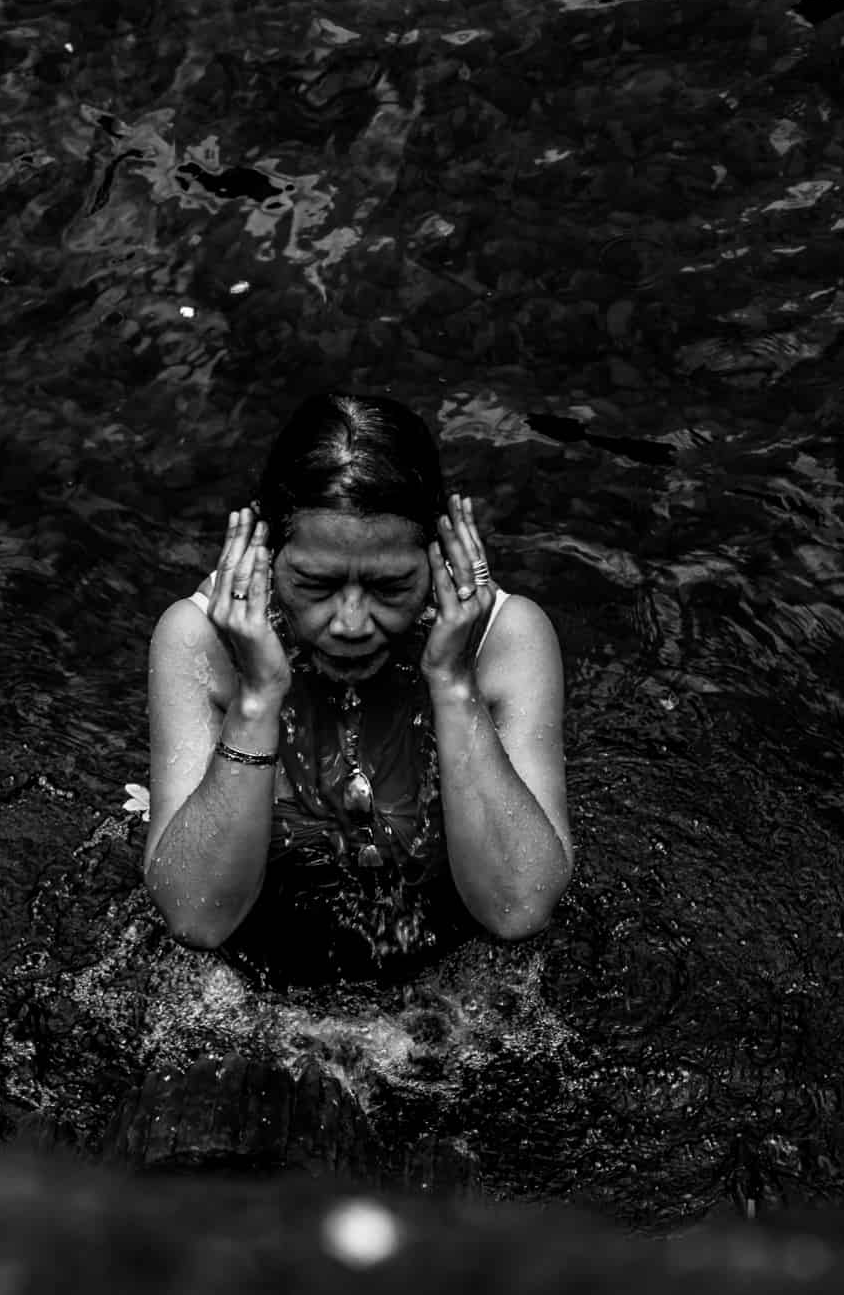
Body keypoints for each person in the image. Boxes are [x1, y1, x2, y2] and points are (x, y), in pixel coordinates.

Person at [141, 392, 572, 987]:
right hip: (260, 981)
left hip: (451, 988)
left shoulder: (503, 637)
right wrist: (258, 696)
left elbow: (520, 907)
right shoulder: (201, 639)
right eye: (314, 584)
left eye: (390, 586)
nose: (350, 622)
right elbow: (193, 916)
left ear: (437, 555)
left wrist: (452, 684)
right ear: (264, 555)